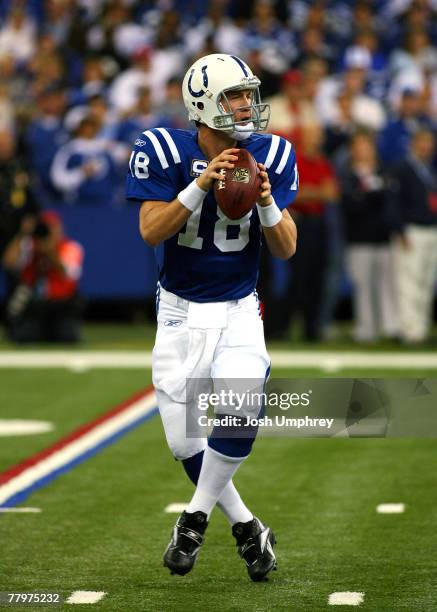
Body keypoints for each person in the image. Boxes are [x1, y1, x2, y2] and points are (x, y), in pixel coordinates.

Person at [126, 53, 298, 581]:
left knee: (241, 404)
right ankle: (248, 527)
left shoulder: (272, 153)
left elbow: (287, 247)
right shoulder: (162, 149)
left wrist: (267, 202)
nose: (247, 105)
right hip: (178, 312)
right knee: (186, 443)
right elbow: (151, 230)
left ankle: (194, 518)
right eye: (234, 97)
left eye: (249, 94)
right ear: (203, 105)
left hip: (239, 307)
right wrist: (201, 184)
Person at [339, 131, 398, 342]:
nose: (362, 149)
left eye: (366, 145)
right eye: (358, 145)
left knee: (387, 285)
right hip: (359, 238)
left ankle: (391, 327)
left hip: (383, 236)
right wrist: (372, 195)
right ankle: (366, 330)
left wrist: (369, 195)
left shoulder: (383, 171)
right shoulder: (347, 174)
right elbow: (352, 205)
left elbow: (390, 201)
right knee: (362, 286)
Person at [4, 211, 84, 344]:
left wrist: (49, 250)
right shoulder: (29, 246)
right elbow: (9, 263)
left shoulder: (70, 247)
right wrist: (22, 234)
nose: (49, 233)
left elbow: (67, 274)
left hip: (61, 304)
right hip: (35, 304)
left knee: (67, 337)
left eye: (53, 228)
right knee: (24, 337)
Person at [389, 129, 437, 344]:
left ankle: (421, 327)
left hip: (432, 229)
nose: (426, 147)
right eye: (422, 142)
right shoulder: (402, 169)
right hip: (412, 231)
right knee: (409, 281)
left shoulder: (430, 169)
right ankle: (409, 330)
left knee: (427, 282)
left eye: (429, 143)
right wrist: (400, 230)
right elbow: (393, 203)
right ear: (413, 144)